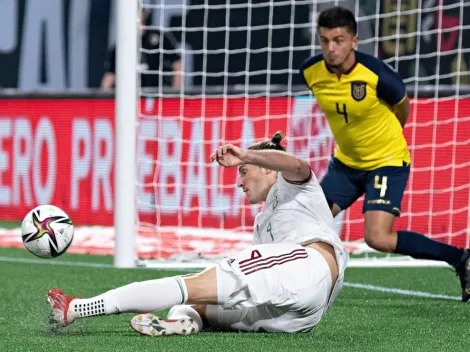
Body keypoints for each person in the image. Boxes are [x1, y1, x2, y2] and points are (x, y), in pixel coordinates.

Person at [47, 131, 348, 335]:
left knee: (196, 283)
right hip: (300, 317)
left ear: (266, 168)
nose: (239, 182)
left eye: (243, 171)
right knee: (194, 306)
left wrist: (248, 154)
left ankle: (78, 307)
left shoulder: (294, 184)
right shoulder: (261, 223)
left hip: (311, 269)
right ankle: (180, 323)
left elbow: (294, 163)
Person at [299, 6, 470, 301]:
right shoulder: (311, 71)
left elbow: (402, 108)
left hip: (386, 163)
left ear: (354, 40)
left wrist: (383, 140)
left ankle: (460, 258)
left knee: (378, 238)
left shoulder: (377, 74)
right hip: (345, 164)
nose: (331, 48)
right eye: (325, 40)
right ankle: (305, 287)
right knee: (306, 224)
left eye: (338, 40)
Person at [101, 9, 182, 90]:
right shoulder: (121, 46)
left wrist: (174, 92)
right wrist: (103, 97)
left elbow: (177, 64)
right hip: (131, 94)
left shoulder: (158, 37)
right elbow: (110, 75)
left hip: (158, 92)